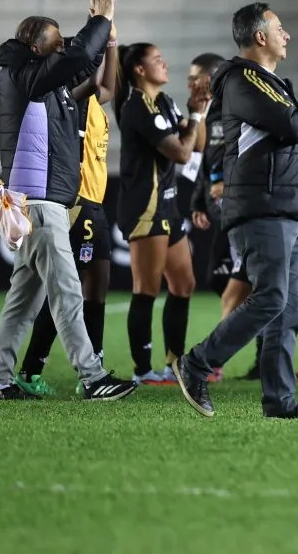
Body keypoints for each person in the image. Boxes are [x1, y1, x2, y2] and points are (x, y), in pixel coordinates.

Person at [172, 2, 298, 419]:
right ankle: (196, 363)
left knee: (288, 308)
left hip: (285, 207)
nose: (286, 34)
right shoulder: (242, 78)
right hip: (262, 206)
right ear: (260, 37)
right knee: (271, 297)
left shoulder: (268, 81)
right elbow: (294, 126)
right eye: (280, 28)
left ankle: (280, 400)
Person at [0, 0, 135, 401]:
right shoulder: (24, 77)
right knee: (67, 292)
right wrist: (102, 19)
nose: (62, 49)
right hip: (39, 203)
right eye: (54, 44)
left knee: (23, 302)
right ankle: (92, 377)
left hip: (37, 202)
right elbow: (74, 56)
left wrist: (101, 23)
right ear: (37, 49)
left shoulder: (40, 81)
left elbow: (83, 62)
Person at [114, 43, 200, 385]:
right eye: (157, 60)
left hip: (169, 204)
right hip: (144, 207)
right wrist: (193, 119)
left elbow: (198, 141)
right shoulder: (136, 107)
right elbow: (181, 152)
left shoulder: (164, 101)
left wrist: (201, 110)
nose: (164, 63)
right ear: (138, 69)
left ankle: (174, 363)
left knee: (184, 283)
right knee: (146, 287)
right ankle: (142, 370)